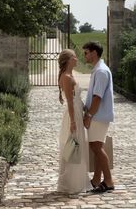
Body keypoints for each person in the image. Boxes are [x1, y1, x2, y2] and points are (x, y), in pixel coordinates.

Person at [57, 49, 91, 194]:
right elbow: (70, 102)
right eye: (75, 57)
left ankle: (77, 180)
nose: (77, 59)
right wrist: (73, 122)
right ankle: (71, 184)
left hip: (77, 111)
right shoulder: (66, 77)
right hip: (72, 115)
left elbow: (76, 100)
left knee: (78, 146)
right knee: (73, 147)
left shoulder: (70, 75)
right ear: (69, 60)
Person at [83, 41, 115, 193]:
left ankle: (108, 181)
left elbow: (97, 97)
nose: (85, 56)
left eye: (86, 53)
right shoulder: (98, 70)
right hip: (98, 115)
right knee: (96, 147)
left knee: (96, 147)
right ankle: (96, 180)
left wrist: (89, 115)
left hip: (98, 116)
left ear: (94, 53)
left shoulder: (101, 71)